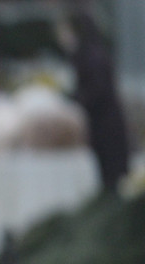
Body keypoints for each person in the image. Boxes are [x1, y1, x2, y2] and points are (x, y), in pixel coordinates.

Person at [56, 10, 130, 194]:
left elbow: (98, 91)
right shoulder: (84, 55)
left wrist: (74, 99)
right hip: (100, 125)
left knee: (113, 178)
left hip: (107, 126)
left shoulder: (92, 56)